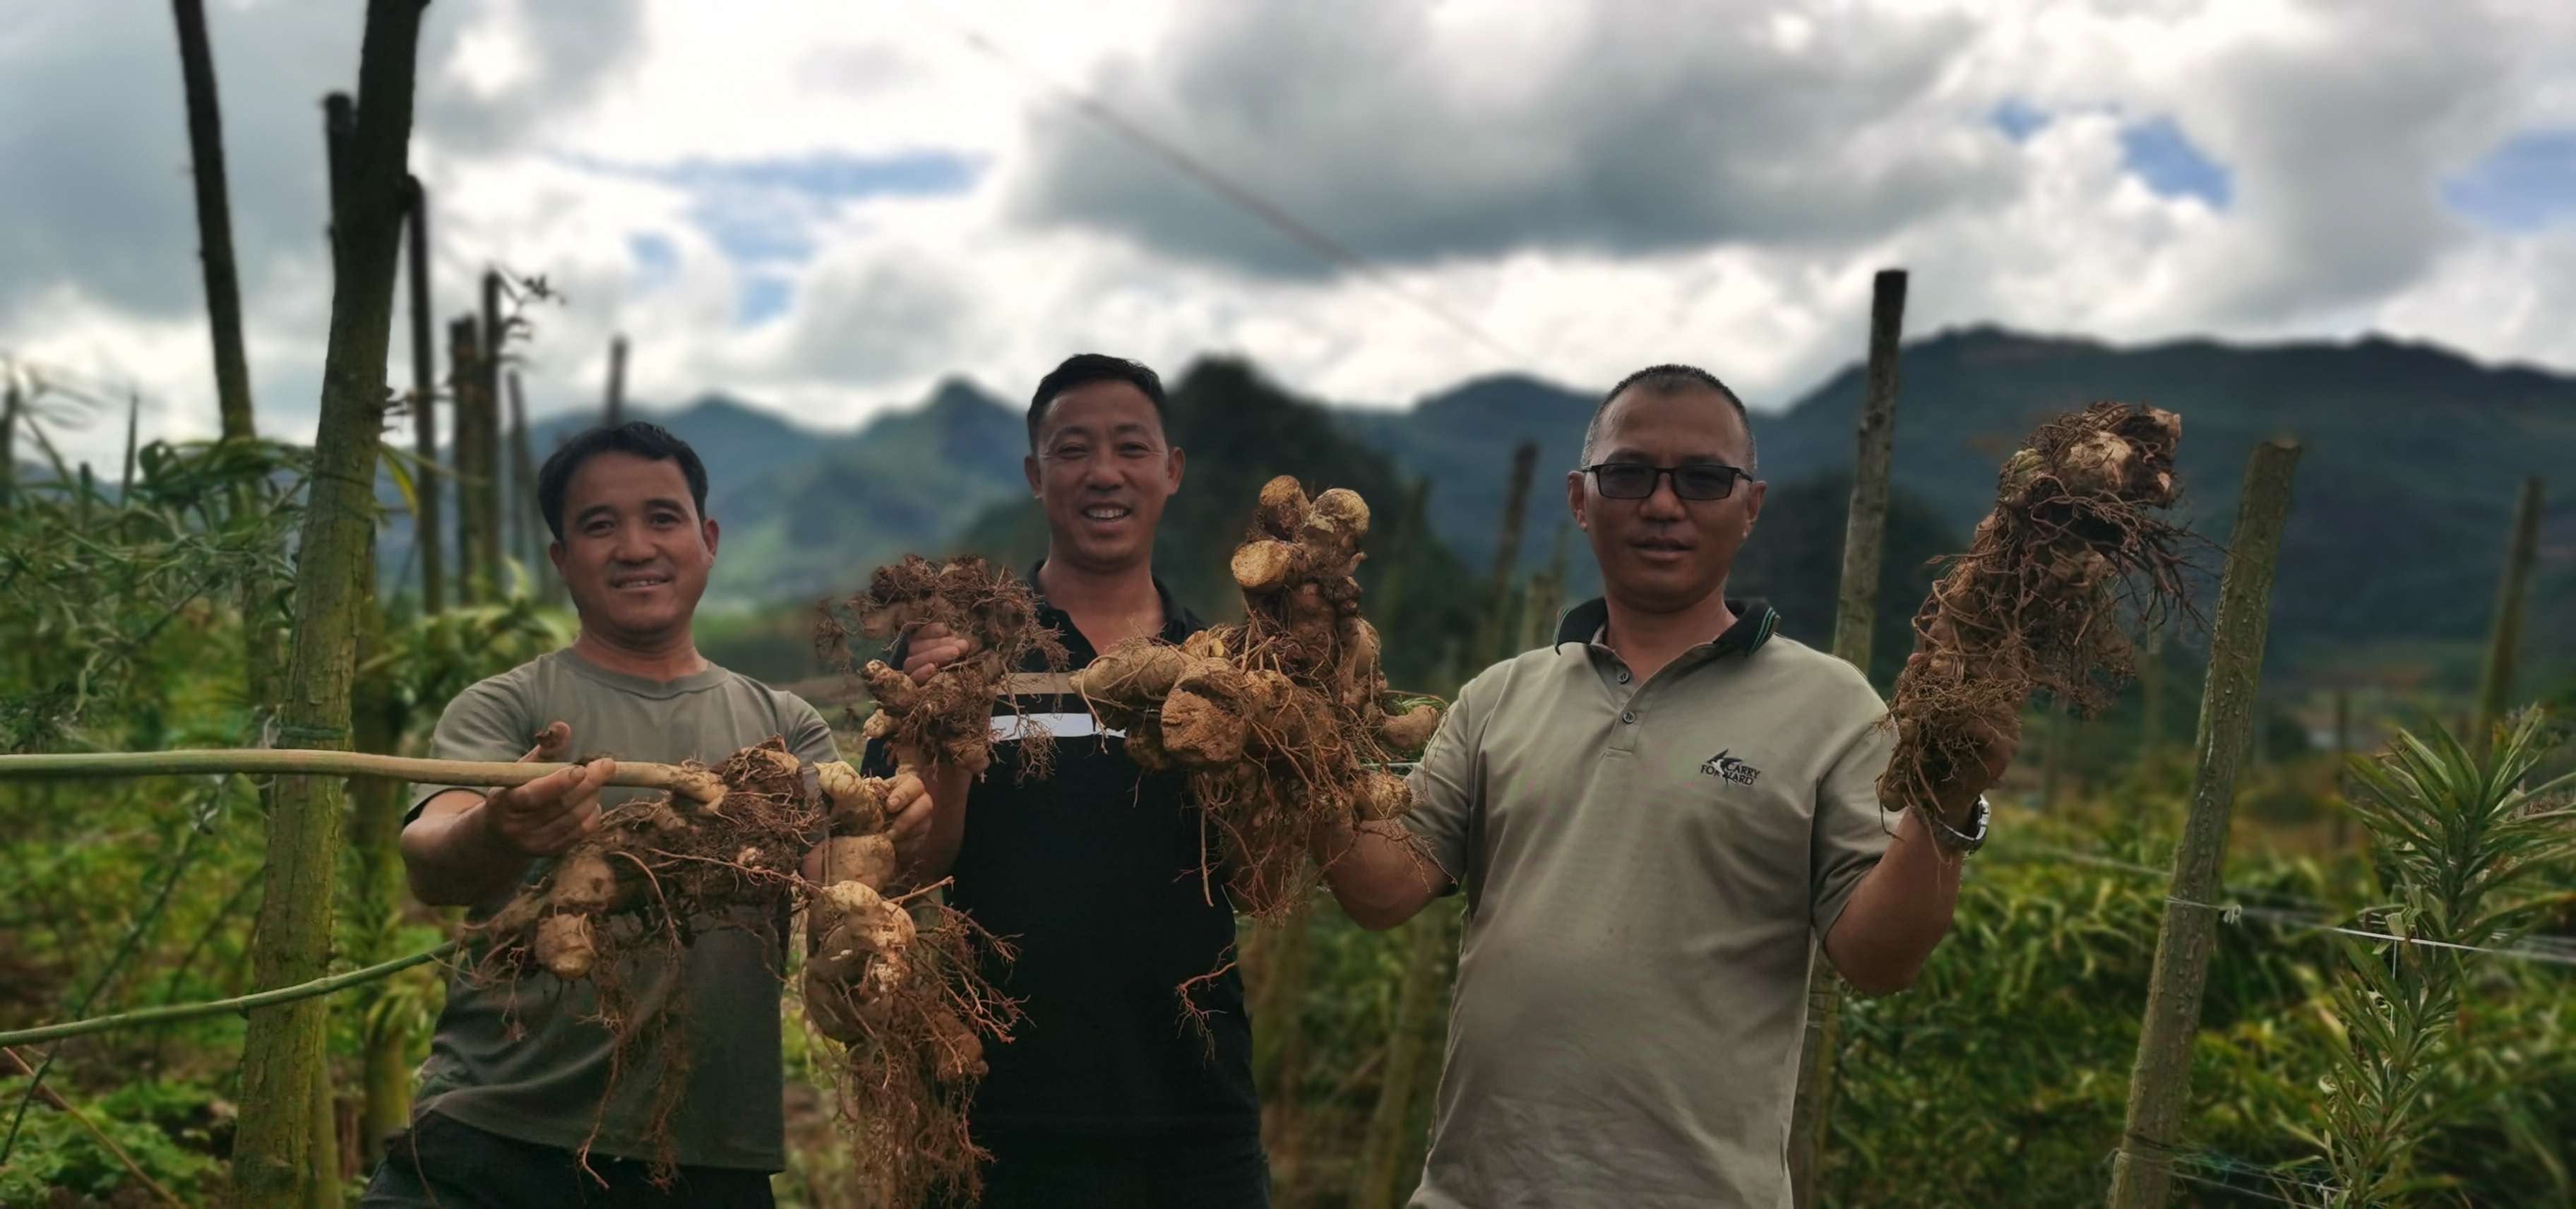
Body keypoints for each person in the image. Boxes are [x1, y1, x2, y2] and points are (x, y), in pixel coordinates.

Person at [1312, 364, 2015, 1208]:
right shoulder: (1500, 696)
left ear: (1750, 506)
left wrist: (1944, 810)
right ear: (1581, 498)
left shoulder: (1833, 708)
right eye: (1630, 473)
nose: (1663, 503)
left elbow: (1878, 959)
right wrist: (1298, 743)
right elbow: (1383, 889)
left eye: (1704, 479)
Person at [362, 422, 866, 1209]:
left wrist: (919, 783)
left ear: (707, 539)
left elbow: (838, 886)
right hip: (494, 1142)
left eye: (662, 518)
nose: (635, 546)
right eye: (600, 525)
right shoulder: (509, 705)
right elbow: (431, 857)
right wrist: (499, 827)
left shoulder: (787, 724)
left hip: (707, 1156)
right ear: (563, 558)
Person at [876, 353, 1270, 1208]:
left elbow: (1257, 874)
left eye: (1130, 448)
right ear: (1034, 473)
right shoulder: (955, 657)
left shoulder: (1220, 674)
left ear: (1171, 471)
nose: (1103, 473)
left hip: (1194, 1118)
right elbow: (907, 873)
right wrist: (938, 724)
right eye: (1072, 449)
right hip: (994, 1115)